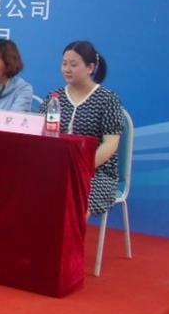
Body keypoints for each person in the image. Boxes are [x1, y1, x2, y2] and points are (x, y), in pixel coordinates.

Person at [51, 40, 123, 216]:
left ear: (90, 68)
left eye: (73, 64)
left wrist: (82, 167)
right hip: (58, 169)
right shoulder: (55, 97)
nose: (67, 69)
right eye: (64, 64)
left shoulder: (107, 99)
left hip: (96, 173)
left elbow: (110, 145)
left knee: (75, 204)